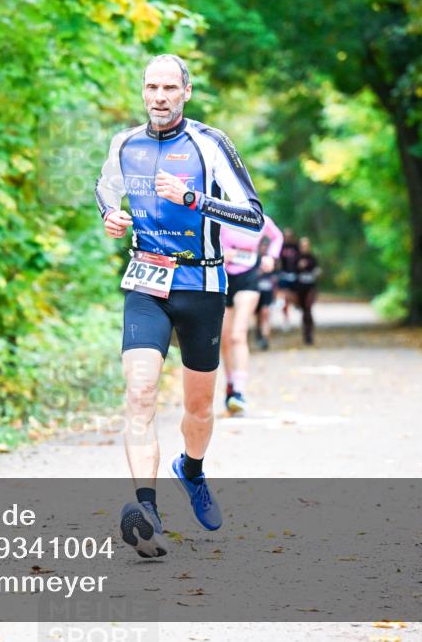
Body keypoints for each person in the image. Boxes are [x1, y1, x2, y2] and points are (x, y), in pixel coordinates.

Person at [95, 54, 264, 557]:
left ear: (186, 92)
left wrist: (195, 200)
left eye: (170, 87)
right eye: (152, 87)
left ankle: (191, 469)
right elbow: (106, 191)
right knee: (140, 393)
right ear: (143, 91)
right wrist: (111, 216)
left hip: (202, 282)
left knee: (198, 410)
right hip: (146, 280)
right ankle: (146, 512)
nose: (160, 96)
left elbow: (253, 216)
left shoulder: (210, 144)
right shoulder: (125, 143)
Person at [219, 214, 282, 413]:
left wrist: (271, 257)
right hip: (222, 277)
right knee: (224, 338)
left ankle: (239, 391)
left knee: (239, 334)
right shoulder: (220, 213)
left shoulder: (259, 218)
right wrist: (220, 252)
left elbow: (277, 237)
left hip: (248, 278)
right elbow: (200, 237)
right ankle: (230, 385)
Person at [295, 236, 320, 345]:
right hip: (300, 288)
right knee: (304, 310)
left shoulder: (312, 258)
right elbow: (292, 271)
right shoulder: (296, 258)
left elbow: (317, 270)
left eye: (306, 245)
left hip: (311, 287)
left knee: (308, 308)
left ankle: (309, 333)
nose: (304, 247)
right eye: (302, 245)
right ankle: (306, 332)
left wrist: (317, 273)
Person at [254, 237, 277, 351]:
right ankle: (259, 335)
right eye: (262, 245)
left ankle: (265, 339)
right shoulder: (255, 259)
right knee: (258, 316)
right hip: (256, 292)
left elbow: (277, 277)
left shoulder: (272, 260)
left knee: (265, 313)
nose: (264, 248)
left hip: (268, 292)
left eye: (266, 246)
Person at [277, 227, 300, 331]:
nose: (287, 238)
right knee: (285, 297)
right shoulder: (281, 246)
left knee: (294, 297)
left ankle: (296, 307)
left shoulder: (296, 247)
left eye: (289, 236)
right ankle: (286, 318)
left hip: (295, 275)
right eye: (285, 236)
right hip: (284, 274)